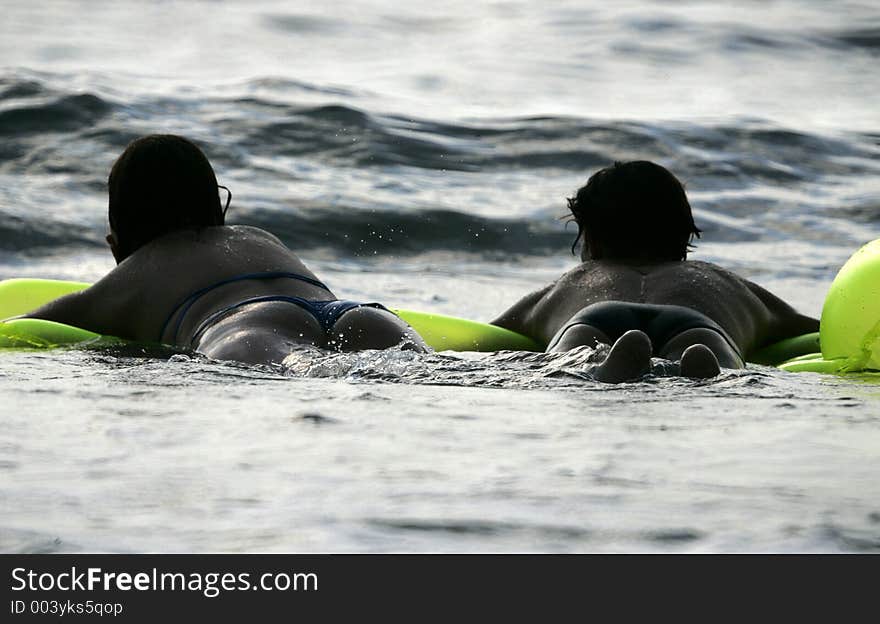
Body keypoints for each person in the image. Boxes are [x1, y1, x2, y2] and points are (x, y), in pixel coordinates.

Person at [24, 134, 426, 364]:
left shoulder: (130, 277)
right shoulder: (257, 237)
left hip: (244, 330)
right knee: (431, 373)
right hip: (358, 315)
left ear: (117, 245)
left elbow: (23, 328)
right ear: (220, 210)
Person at [491, 161, 818, 382]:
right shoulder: (720, 280)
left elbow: (486, 338)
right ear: (684, 231)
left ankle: (607, 369)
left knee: (575, 363)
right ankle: (700, 366)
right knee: (712, 369)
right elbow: (817, 332)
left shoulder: (573, 283)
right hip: (697, 325)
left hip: (594, 318)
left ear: (589, 236)